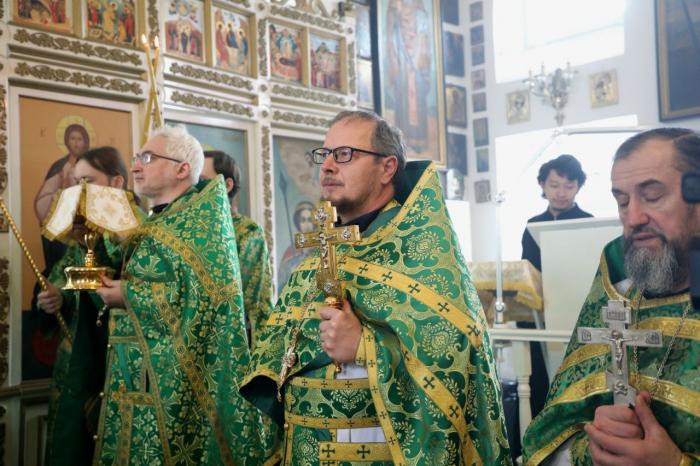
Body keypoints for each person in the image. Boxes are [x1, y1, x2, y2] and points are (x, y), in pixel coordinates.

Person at [241, 110, 511, 465]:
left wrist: (364, 346)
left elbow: (456, 357)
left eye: (345, 154)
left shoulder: (423, 256)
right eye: (325, 154)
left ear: (387, 168)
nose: (327, 166)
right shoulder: (317, 258)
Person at [522, 128, 700, 465]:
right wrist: (595, 443)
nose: (632, 218)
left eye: (652, 196)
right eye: (622, 201)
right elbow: (553, 435)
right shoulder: (618, 284)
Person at [94, 126, 269, 465]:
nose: (136, 166)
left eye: (148, 158)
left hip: (175, 385)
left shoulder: (201, 224)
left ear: (182, 168)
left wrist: (129, 295)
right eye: (136, 157)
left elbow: (206, 300)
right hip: (132, 375)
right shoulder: (156, 222)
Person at [37, 147, 132, 466]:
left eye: (88, 182)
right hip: (74, 363)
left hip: (114, 364)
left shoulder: (133, 231)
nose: (79, 191)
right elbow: (61, 279)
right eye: (76, 182)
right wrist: (55, 297)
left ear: (116, 182)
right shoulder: (81, 234)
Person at [200, 150, 273, 348]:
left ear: (227, 185)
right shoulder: (189, 230)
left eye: (203, 180)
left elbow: (253, 301)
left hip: (232, 341)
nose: (196, 188)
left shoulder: (248, 231)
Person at [521, 154, 593, 272]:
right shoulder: (533, 225)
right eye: (554, 186)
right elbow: (528, 273)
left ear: (578, 188)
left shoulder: (589, 223)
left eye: (569, 187)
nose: (561, 193)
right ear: (542, 185)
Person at [35, 123, 90, 272]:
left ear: (85, 142)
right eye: (73, 138)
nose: (76, 143)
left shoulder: (92, 166)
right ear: (66, 141)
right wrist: (61, 193)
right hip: (62, 226)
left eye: (79, 139)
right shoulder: (58, 167)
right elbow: (42, 201)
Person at [277, 200, 315, 288]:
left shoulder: (322, 246)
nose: (307, 224)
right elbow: (281, 282)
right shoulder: (291, 251)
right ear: (298, 223)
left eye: (310, 220)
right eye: (303, 220)